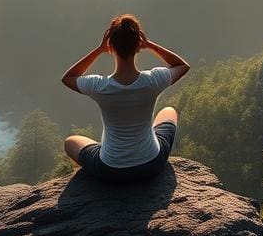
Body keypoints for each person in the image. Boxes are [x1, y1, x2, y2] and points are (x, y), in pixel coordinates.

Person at [60, 14, 190, 182]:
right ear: (138, 46)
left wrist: (99, 50)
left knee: (70, 142)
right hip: (151, 164)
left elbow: (68, 78)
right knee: (169, 110)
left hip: (111, 169)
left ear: (111, 46)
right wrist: (150, 45)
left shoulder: (100, 86)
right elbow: (182, 66)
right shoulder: (153, 80)